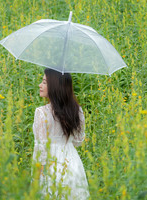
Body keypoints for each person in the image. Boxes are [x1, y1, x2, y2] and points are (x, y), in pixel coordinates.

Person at [32, 68, 89, 199]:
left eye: (45, 82)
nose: (40, 85)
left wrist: (37, 177)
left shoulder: (41, 113)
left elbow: (41, 149)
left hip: (50, 166)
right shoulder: (76, 110)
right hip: (72, 163)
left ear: (54, 86)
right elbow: (78, 141)